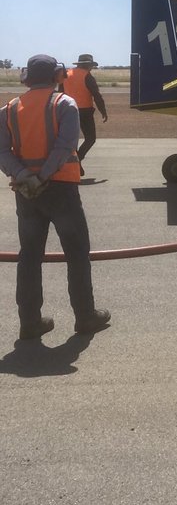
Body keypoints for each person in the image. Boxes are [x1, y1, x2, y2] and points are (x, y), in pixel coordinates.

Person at [0, 54, 111, 340]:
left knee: (29, 257)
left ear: (26, 77)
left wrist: (25, 177)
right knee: (76, 254)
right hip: (60, 188)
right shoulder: (64, 104)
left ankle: (30, 322)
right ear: (57, 75)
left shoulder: (9, 109)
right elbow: (65, 147)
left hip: (27, 193)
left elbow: (3, 153)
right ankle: (85, 317)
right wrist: (43, 176)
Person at [60, 52, 108, 175]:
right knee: (90, 138)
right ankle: (78, 160)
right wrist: (103, 111)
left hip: (67, 111)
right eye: (91, 65)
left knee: (72, 140)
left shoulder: (66, 74)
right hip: (85, 112)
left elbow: (60, 93)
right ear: (88, 65)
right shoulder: (88, 76)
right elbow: (96, 95)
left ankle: (76, 163)